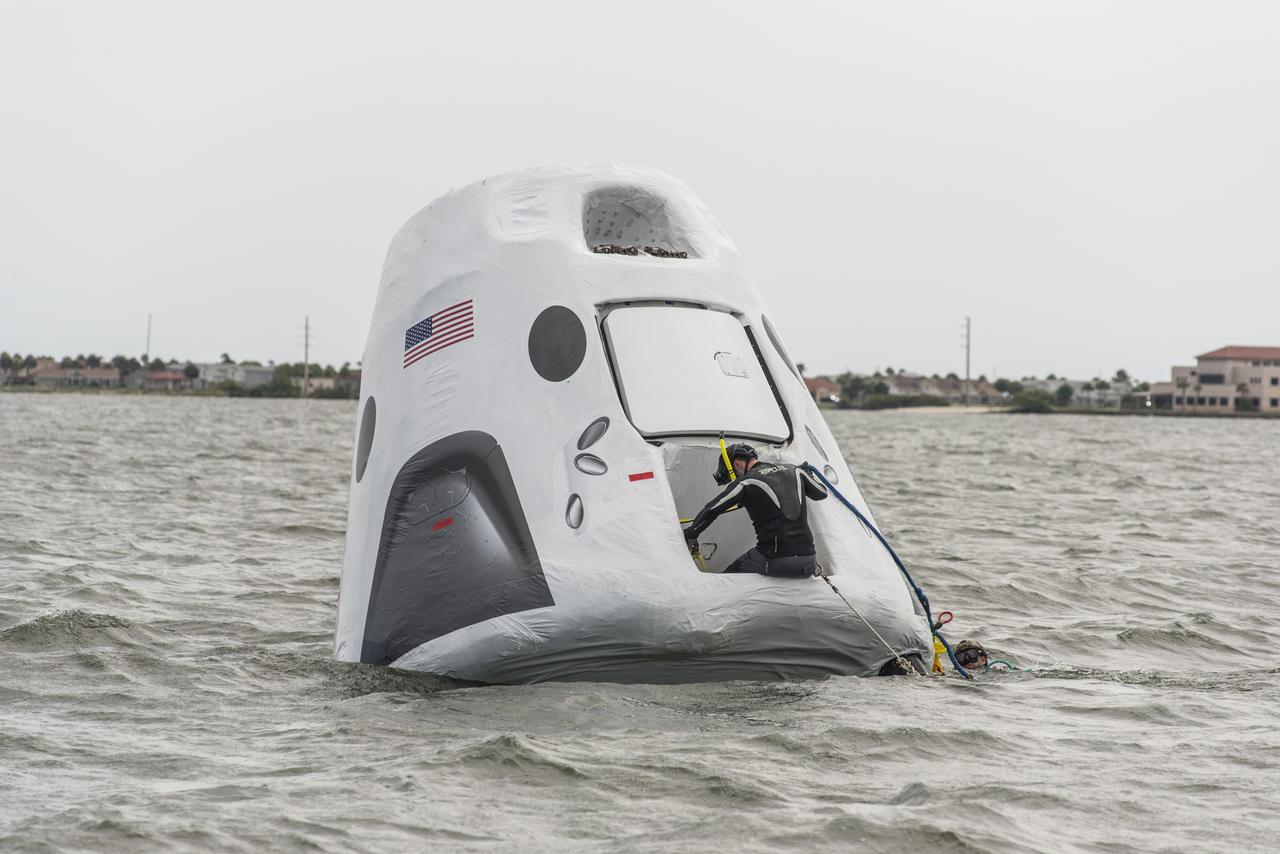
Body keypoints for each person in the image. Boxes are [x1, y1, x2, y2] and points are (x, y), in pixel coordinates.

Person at [683, 443, 828, 577]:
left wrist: (691, 534)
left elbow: (712, 509)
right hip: (808, 560)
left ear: (737, 464)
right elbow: (821, 493)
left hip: (776, 561)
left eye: (733, 472)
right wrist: (807, 474)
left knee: (727, 577)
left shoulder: (746, 481)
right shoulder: (794, 470)